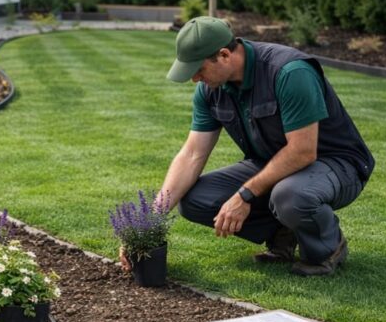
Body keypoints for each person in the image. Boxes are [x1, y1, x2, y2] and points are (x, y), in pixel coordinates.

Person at [153, 17, 374, 276]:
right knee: (194, 199)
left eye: (198, 69)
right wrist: (149, 221)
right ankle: (283, 232)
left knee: (290, 197)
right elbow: (192, 154)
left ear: (224, 55)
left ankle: (328, 248)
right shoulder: (210, 89)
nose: (194, 79)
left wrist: (244, 195)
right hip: (273, 163)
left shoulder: (289, 72)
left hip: (336, 164)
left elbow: (302, 151)